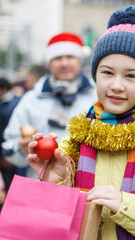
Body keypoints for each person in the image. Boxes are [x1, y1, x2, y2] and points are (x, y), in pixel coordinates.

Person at [27, 6, 135, 239]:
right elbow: (52, 229)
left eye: (131, 76)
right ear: (95, 76)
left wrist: (128, 208)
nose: (117, 86)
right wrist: (55, 185)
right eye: (107, 73)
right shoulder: (75, 138)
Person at [2, 32, 96, 179]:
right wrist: (22, 148)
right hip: (42, 184)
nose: (64, 63)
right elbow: (8, 147)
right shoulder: (32, 99)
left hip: (88, 187)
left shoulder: (96, 97)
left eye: (70, 57)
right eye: (58, 58)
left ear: (79, 60)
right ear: (49, 63)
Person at [0, 77, 21, 209]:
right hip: (11, 152)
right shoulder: (17, 101)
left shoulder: (5, 107)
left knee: (10, 186)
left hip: (6, 154)